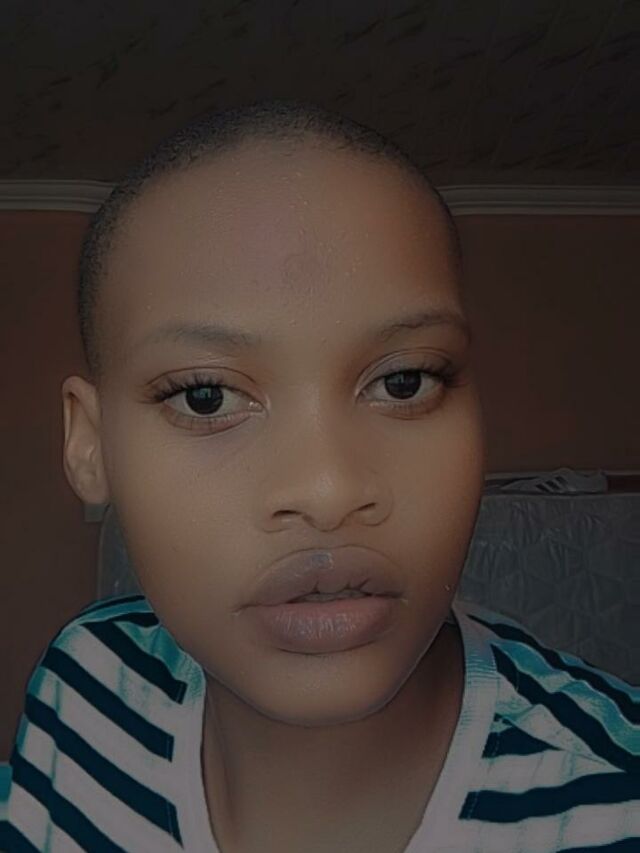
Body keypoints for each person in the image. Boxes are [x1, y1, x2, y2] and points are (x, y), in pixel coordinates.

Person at [1, 99, 637, 853]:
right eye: (206, 396)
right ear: (90, 446)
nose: (328, 491)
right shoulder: (83, 681)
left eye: (404, 381)